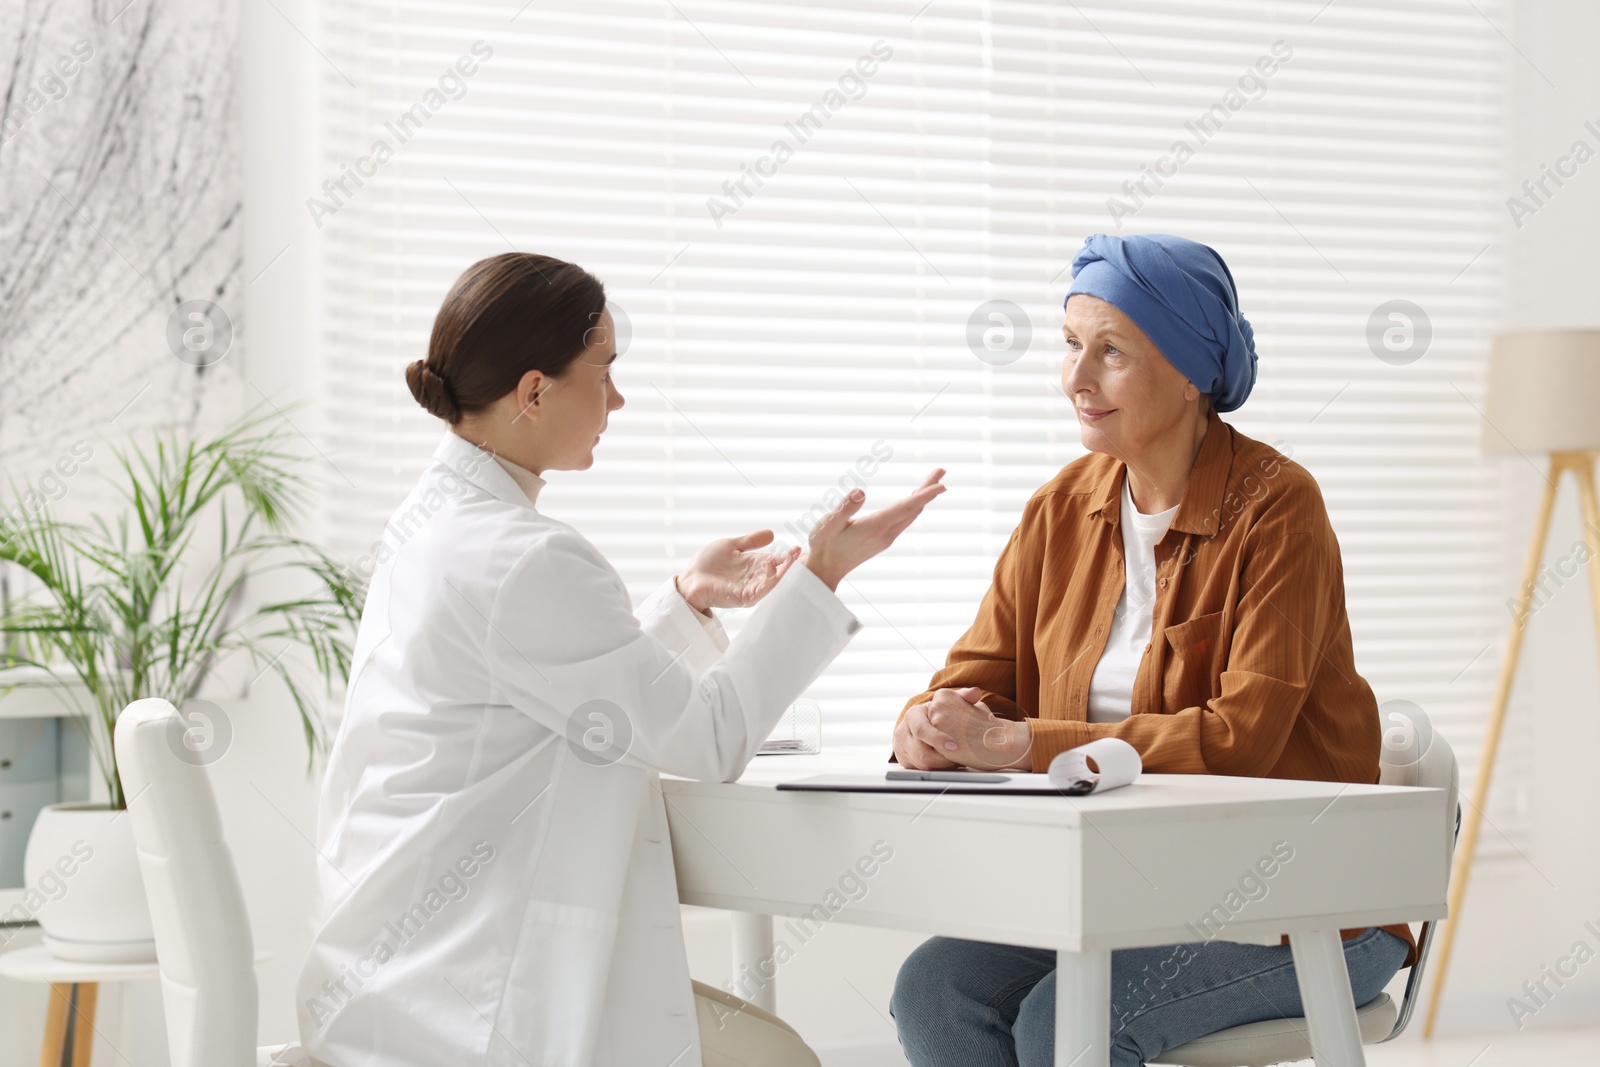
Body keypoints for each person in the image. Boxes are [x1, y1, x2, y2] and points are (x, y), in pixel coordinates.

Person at [295, 252, 946, 1067]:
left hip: (399, 978)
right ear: (533, 392)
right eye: (603, 373)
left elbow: (556, 693)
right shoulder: (520, 556)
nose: (617, 399)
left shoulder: (434, 526)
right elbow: (707, 739)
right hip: (473, 998)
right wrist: (820, 575)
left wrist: (686, 600)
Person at [887, 233, 1413, 1066]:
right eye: (1070, 345)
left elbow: (1242, 735)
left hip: (1306, 905)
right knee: (935, 988)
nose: (1077, 377)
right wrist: (930, 724)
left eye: (1111, 351)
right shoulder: (1059, 507)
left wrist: (1027, 744)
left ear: (1192, 368)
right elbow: (974, 680)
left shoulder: (1279, 509)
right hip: (1130, 896)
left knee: (1065, 1020)